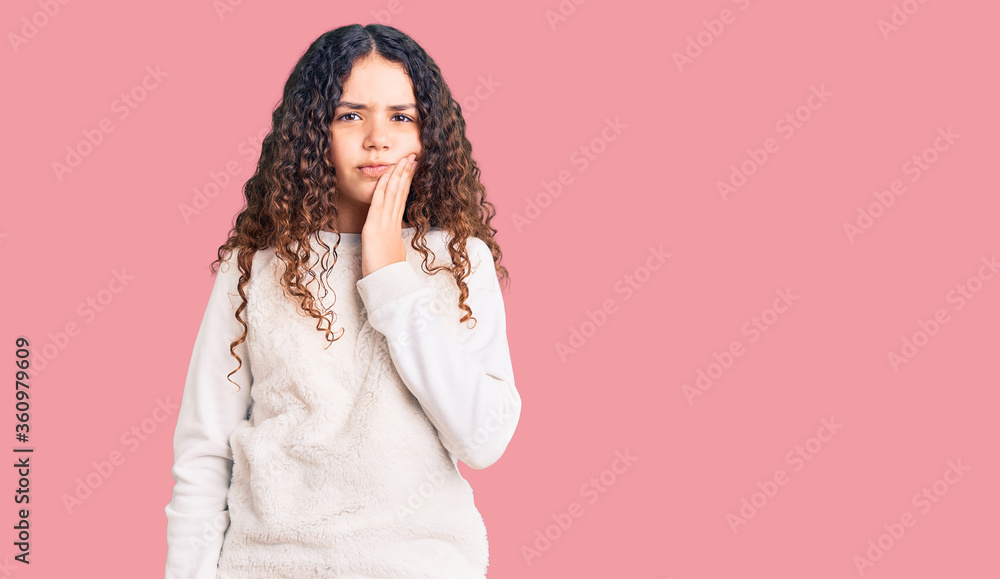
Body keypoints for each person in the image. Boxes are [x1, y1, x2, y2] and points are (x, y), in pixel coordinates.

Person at [163, 23, 521, 579]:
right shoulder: (255, 266)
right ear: (313, 132)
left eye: (401, 117)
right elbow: (205, 454)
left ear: (428, 136)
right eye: (351, 115)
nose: (378, 137)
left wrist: (391, 276)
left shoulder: (459, 261)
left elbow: (484, 438)